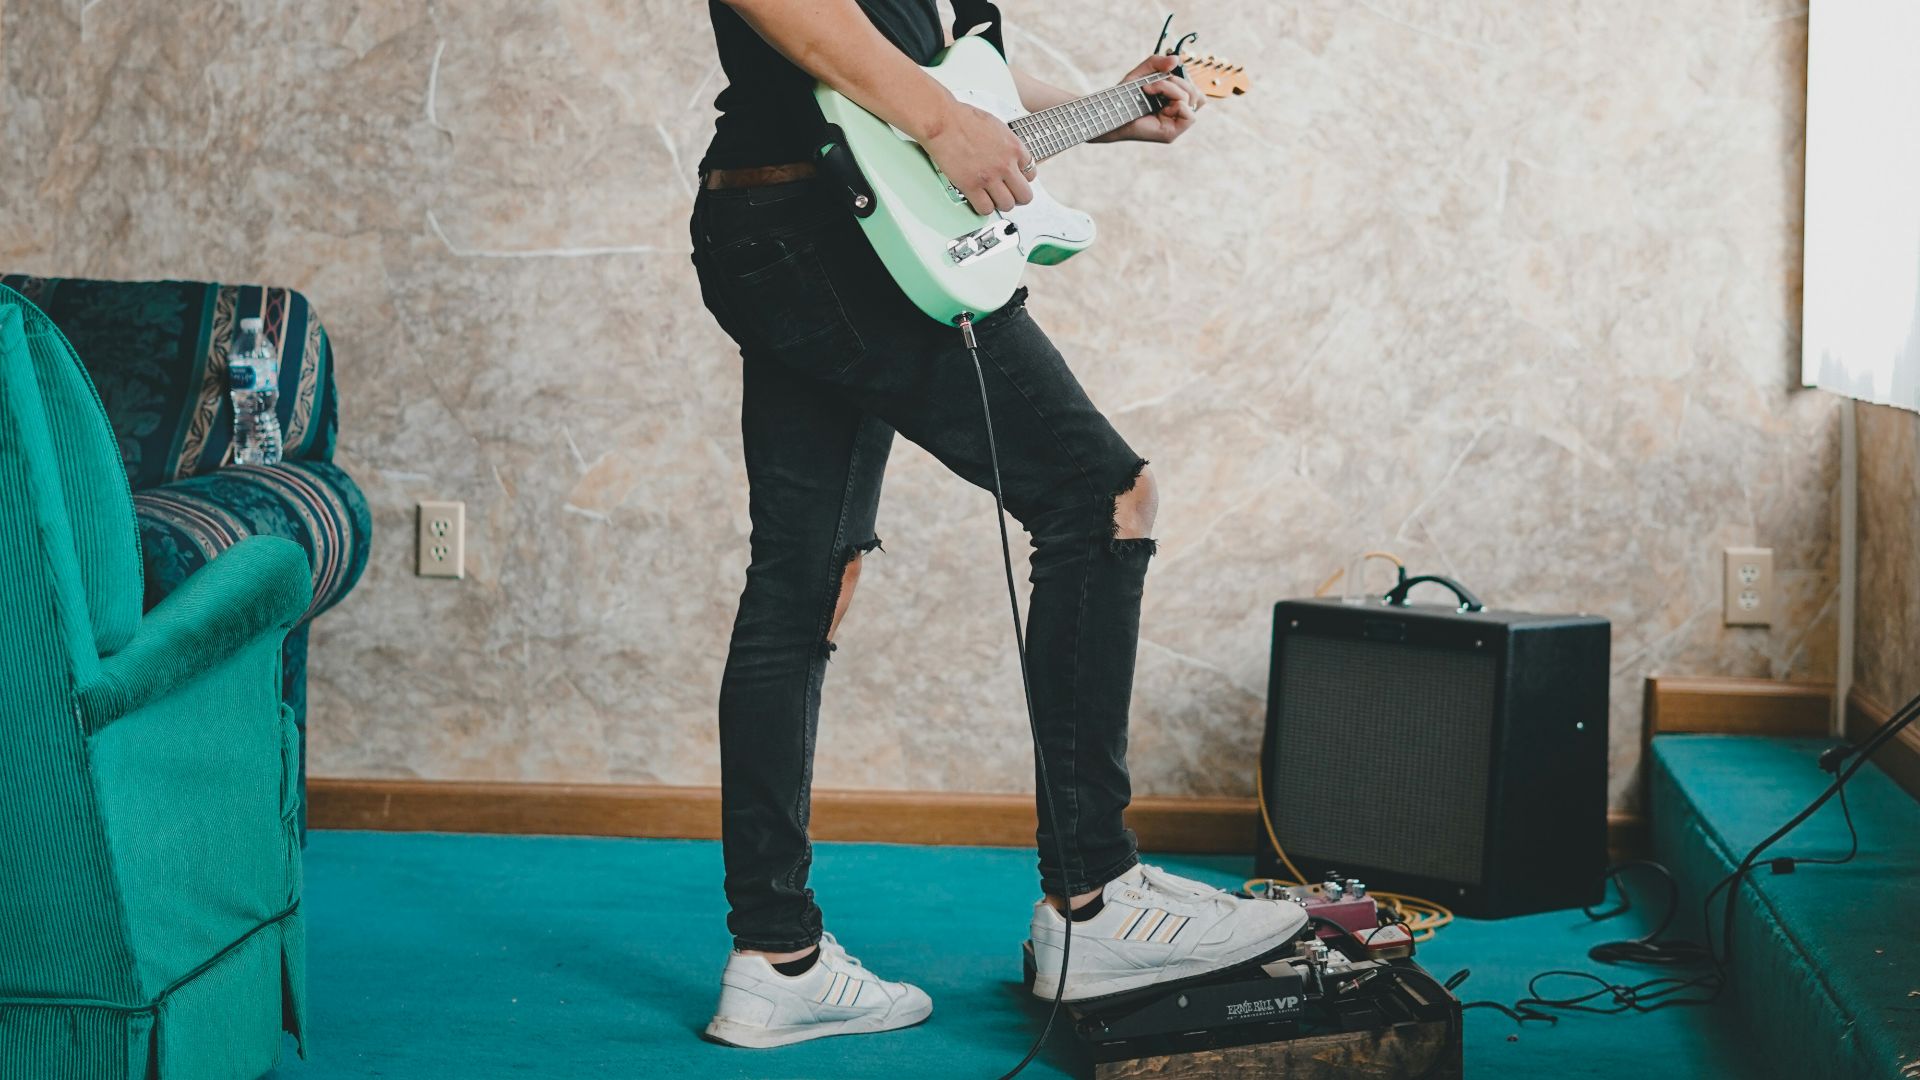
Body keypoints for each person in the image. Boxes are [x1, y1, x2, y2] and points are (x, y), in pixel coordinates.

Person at [692, 0, 1307, 1049]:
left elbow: (946, 70)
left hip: (788, 220)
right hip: (835, 227)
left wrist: (1103, 110)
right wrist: (939, 122)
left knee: (805, 574)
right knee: (1103, 500)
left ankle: (776, 956)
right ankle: (1094, 900)